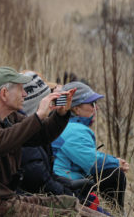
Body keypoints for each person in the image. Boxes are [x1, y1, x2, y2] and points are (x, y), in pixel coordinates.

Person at [0, 67, 101, 216]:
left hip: (9, 197)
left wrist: (60, 115)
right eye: (20, 89)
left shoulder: (9, 117)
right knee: (69, 214)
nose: (25, 94)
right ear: (4, 93)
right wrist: (39, 115)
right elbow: (2, 141)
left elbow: (42, 135)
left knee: (71, 203)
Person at [19, 71, 111, 216]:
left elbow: (47, 175)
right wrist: (71, 194)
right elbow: (41, 183)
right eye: (50, 101)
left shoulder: (37, 131)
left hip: (51, 192)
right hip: (38, 200)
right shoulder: (29, 137)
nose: (54, 106)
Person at [52, 81, 129, 212]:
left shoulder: (62, 124)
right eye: (92, 104)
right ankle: (118, 212)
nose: (96, 108)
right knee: (114, 174)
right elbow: (90, 161)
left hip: (60, 178)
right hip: (65, 183)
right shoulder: (74, 129)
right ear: (76, 108)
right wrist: (115, 162)